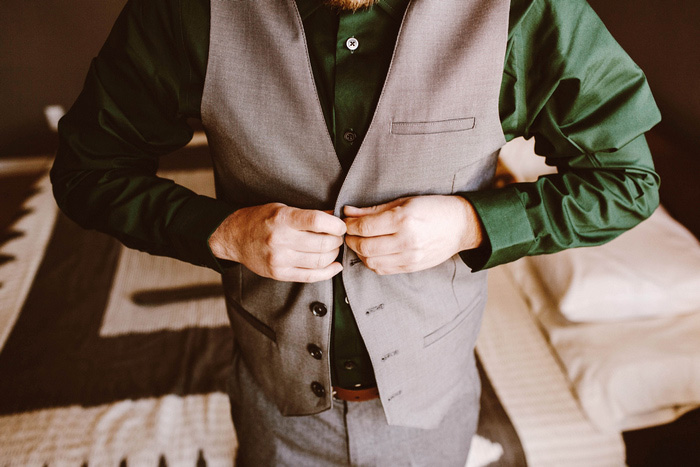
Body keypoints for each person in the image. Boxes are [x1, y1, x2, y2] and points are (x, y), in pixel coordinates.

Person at [50, 0, 661, 464]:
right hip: (272, 406)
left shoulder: (528, 12)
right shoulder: (184, 13)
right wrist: (222, 232)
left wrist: (470, 222)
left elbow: (626, 181)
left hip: (433, 412)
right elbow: (87, 170)